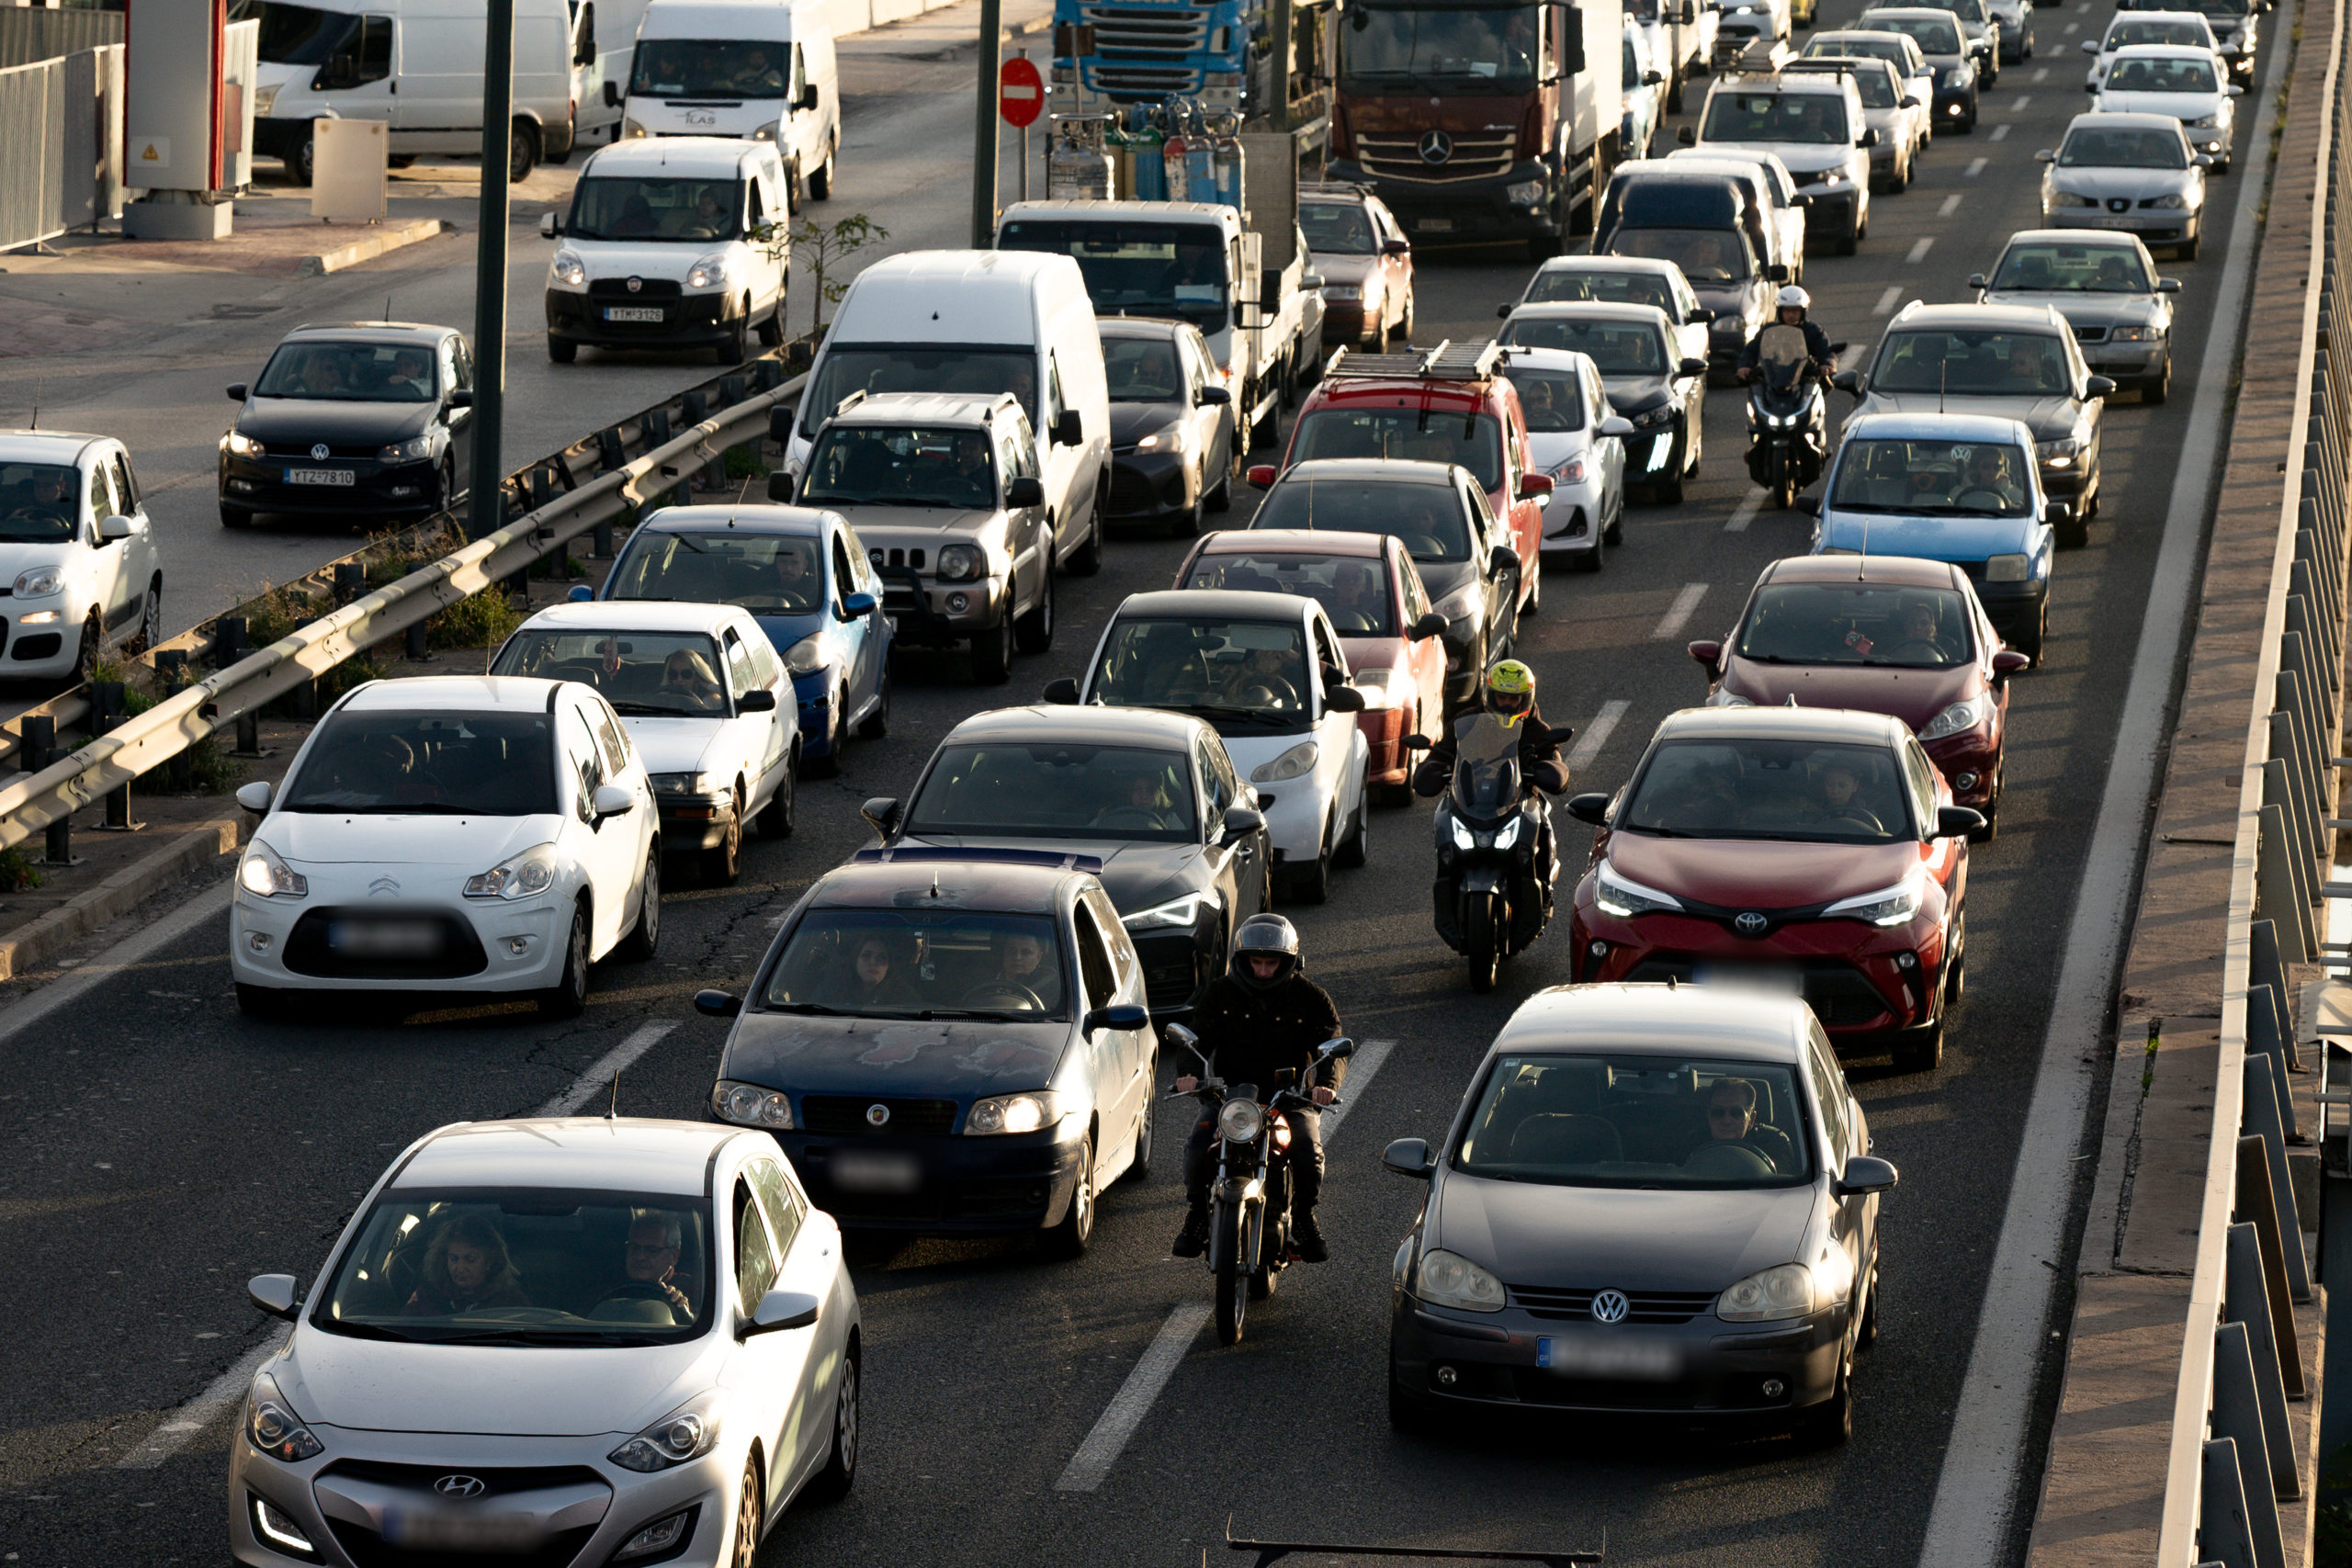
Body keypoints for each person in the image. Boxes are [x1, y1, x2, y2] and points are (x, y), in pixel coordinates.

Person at [1170, 915, 1344, 1262]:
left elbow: (1331, 1045)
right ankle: (1198, 1214)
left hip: (1291, 1098)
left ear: (1288, 961)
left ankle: (1305, 1217)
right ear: (1242, 959)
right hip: (1230, 1097)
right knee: (1197, 1147)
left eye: (1271, 963)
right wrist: (1188, 1074)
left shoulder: (1311, 998)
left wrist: (1325, 1085)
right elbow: (1195, 1038)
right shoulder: (1220, 993)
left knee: (1308, 1150)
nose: (1263, 970)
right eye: (1256, 962)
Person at [403, 1214, 529, 1315]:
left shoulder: (511, 1302)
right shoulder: (426, 1296)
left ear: (489, 1262)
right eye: (453, 1259)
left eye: (470, 1259)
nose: (459, 1268)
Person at [600, 1210, 695, 1318]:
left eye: (652, 1250)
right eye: (634, 1247)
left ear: (674, 1256)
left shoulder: (693, 1289)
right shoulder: (607, 1284)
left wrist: (683, 1311)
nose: (640, 1257)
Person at [1737, 286, 1837, 382]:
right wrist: (1745, 366)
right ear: (1780, 311)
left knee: (1816, 390)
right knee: (1756, 389)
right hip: (1772, 379)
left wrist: (1827, 364)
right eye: (1787, 311)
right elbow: (1752, 350)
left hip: (1805, 379)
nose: (1791, 315)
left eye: (1795, 310)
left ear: (1803, 311)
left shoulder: (1814, 330)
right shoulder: (1769, 331)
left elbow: (1825, 351)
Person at [1701, 1078, 1797, 1171]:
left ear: (1752, 1119)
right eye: (1718, 1112)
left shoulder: (1773, 1145)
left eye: (1736, 1113)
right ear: (1708, 1116)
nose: (1726, 1121)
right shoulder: (1694, 1142)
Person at [980, 927, 1062, 1010]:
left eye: (1026, 952)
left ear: (1039, 957)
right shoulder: (982, 980)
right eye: (1012, 951)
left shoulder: (1053, 989)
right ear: (1004, 953)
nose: (1017, 957)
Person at [839, 933, 910, 1011]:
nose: (873, 962)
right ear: (856, 960)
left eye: (881, 958)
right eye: (866, 956)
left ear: (889, 966)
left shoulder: (905, 1000)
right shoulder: (836, 993)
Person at [660, 648, 724, 708]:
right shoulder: (661, 700)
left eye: (686, 674)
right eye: (674, 674)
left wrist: (708, 685)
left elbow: (728, 696)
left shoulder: (711, 701)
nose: (679, 679)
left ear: (697, 675)